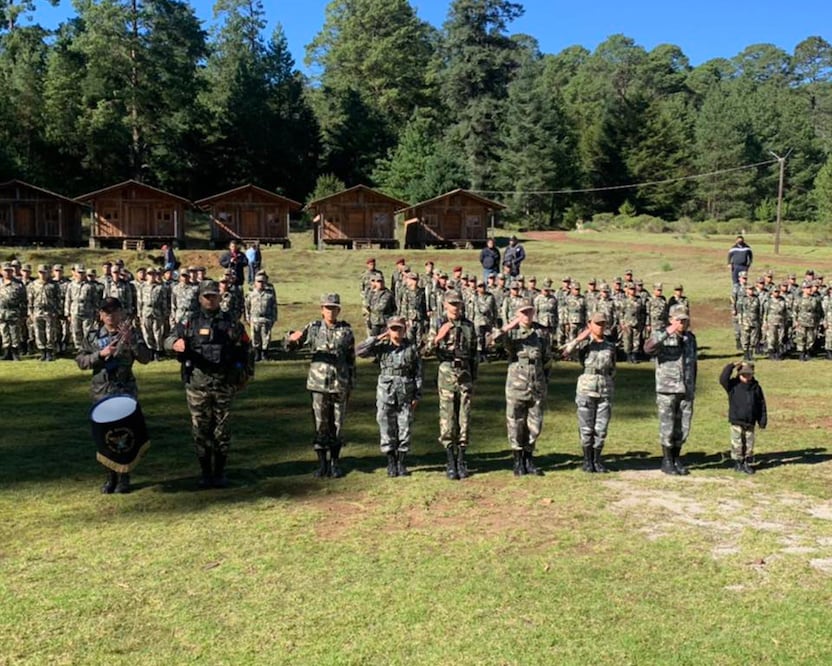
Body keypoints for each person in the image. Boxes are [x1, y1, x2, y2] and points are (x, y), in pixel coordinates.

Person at [165, 280, 253, 489]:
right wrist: (174, 344)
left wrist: (244, 375)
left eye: (214, 296)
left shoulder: (231, 323)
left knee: (222, 431)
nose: (210, 299)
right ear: (199, 298)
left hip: (223, 384)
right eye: (206, 296)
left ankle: (220, 472)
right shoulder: (189, 322)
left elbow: (246, 348)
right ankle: (205, 473)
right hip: (197, 385)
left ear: (219, 298)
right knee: (201, 431)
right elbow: (168, 339)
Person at [76, 297, 154, 494]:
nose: (110, 316)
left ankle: (124, 477)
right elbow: (81, 361)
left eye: (114, 311)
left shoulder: (131, 334)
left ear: (121, 313)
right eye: (106, 312)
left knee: (125, 435)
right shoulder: (93, 335)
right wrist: (100, 355)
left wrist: (131, 343)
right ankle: (109, 476)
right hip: (101, 392)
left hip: (124, 391)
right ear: (101, 315)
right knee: (105, 436)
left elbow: (146, 358)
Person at [287, 294, 356, 478]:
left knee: (337, 424)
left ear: (338, 310)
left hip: (339, 384)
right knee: (320, 424)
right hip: (318, 384)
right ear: (322, 310)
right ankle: (322, 464)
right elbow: (292, 346)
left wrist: (350, 384)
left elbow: (351, 359)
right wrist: (291, 339)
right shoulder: (314, 328)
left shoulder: (346, 331)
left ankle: (335, 462)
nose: (330, 311)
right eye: (327, 307)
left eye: (333, 308)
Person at [356, 315, 423, 477]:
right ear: (388, 330)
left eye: (399, 328)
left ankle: (401, 462)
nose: (396, 332)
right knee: (385, 424)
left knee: (404, 426)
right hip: (386, 392)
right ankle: (390, 461)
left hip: (405, 392)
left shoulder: (411, 348)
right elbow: (359, 351)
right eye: (393, 328)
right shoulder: (382, 347)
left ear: (404, 329)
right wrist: (377, 338)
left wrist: (417, 395)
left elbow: (418, 372)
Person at [424, 290, 478, 480]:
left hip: (465, 374)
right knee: (447, 418)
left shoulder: (468, 325)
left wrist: (474, 377)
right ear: (445, 305)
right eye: (452, 304)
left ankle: (462, 459)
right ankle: (450, 460)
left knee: (464, 416)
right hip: (446, 373)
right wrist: (438, 337)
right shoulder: (438, 323)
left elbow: (474, 353)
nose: (455, 307)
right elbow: (425, 351)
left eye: (458, 304)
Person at [493, 299, 551, 476]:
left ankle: (529, 458)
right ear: (518, 314)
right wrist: (510, 326)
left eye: (529, 312)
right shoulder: (512, 333)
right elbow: (494, 340)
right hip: (517, 383)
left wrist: (544, 381)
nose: (527, 316)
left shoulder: (541, 332)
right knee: (516, 421)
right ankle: (517, 460)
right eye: (523, 313)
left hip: (536, 382)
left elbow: (548, 359)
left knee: (534, 423)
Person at [561, 312, 617, 473]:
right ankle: (587, 460)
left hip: (605, 388)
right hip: (586, 388)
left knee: (601, 427)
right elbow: (565, 353)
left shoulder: (610, 345)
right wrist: (580, 338)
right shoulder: (583, 345)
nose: (600, 327)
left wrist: (609, 382)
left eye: (603, 324)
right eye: (597, 323)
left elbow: (613, 368)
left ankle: (597, 460)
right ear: (590, 324)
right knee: (586, 427)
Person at [644, 311, 698, 476]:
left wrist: (692, 385)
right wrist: (668, 331)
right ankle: (667, 460)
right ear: (671, 320)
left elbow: (693, 362)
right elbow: (648, 348)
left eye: (684, 320)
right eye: (678, 320)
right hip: (667, 389)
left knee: (683, 427)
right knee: (667, 426)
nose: (682, 323)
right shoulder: (662, 336)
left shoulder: (690, 338)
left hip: (686, 388)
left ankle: (676, 458)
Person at [719, 361, 767, 474]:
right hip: (737, 420)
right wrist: (731, 365)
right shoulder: (732, 385)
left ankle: (747, 462)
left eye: (749, 374)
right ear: (739, 374)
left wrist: (762, 420)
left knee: (749, 443)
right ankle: (738, 462)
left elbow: (761, 404)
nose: (746, 377)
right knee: (737, 443)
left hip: (750, 421)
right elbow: (723, 379)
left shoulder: (756, 388)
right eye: (743, 375)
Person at [245, 272, 277, 361]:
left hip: (266, 319)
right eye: (259, 281)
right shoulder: (251, 293)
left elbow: (274, 306)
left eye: (263, 281)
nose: (261, 283)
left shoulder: (269, 294)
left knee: (266, 337)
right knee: (255, 337)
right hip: (254, 319)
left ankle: (265, 354)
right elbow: (247, 306)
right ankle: (256, 354)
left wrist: (273, 319)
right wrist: (248, 318)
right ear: (255, 282)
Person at [0, 262, 27, 360]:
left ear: (12, 271)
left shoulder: (18, 284)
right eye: (5, 270)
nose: (7, 272)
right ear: (1, 271)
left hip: (14, 312)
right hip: (1, 312)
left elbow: (24, 299)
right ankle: (7, 352)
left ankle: (15, 353)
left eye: (9, 270)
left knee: (15, 333)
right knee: (4, 333)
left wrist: (24, 314)